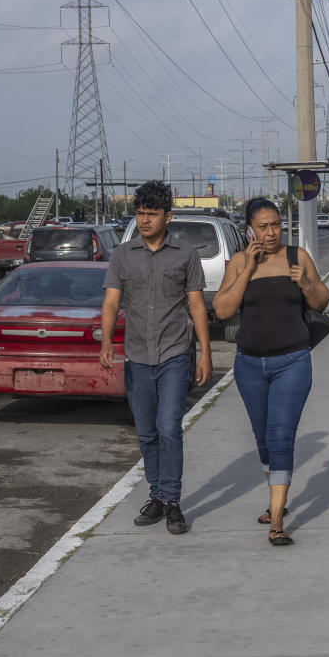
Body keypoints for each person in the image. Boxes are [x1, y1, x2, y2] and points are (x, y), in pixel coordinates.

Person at [213, 198, 329, 546]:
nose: (271, 232)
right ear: (249, 229)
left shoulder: (297, 257)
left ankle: (277, 520)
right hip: (249, 365)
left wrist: (306, 284)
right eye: (263, 226)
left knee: (281, 436)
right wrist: (247, 269)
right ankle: (274, 501)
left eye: (276, 224)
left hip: (293, 361)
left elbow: (321, 300)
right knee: (264, 438)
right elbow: (222, 309)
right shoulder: (239, 262)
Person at [100, 180, 213, 535]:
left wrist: (205, 353)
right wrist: (105, 341)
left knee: (169, 428)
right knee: (147, 433)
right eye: (140, 213)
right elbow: (111, 302)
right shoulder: (122, 255)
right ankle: (157, 497)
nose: (145, 220)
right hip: (136, 355)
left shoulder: (185, 255)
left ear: (168, 216)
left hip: (174, 355)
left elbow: (196, 305)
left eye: (152, 214)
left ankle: (174, 501)